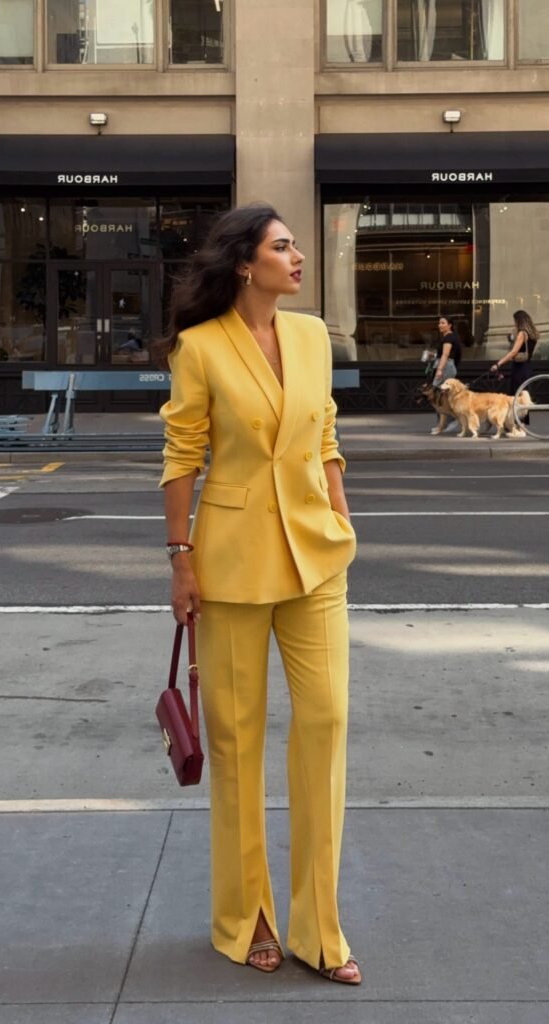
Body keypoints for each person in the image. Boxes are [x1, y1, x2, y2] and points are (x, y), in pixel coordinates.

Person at [160, 203, 361, 985]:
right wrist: (180, 560)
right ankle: (248, 920)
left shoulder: (310, 335)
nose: (298, 256)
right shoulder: (201, 349)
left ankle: (320, 930)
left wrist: (342, 520)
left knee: (324, 724)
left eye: (295, 246)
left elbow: (324, 435)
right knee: (238, 747)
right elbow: (181, 456)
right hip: (230, 564)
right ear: (246, 263)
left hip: (315, 560)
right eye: (283, 247)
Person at [491, 309, 539, 398]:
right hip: (527, 367)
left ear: (518, 321)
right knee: (524, 398)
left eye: (515, 321)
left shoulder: (522, 333)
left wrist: (498, 364)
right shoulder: (532, 334)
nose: (514, 323)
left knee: (516, 397)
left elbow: (514, 352)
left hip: (519, 368)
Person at [429, 315, 462, 434]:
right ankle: (442, 425)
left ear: (450, 325)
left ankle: (451, 420)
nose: (440, 325)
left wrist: (439, 369)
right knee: (442, 396)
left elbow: (445, 355)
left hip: (446, 367)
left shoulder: (449, 338)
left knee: (438, 396)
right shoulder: (451, 337)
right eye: (439, 323)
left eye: (443, 323)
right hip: (448, 366)